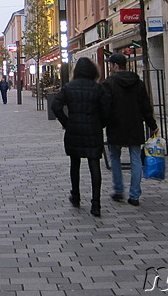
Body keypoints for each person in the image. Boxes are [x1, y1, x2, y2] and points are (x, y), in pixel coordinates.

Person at [51, 57, 111, 217]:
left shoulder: (69, 87)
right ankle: (96, 204)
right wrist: (101, 124)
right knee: (94, 165)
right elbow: (106, 110)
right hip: (93, 130)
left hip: (74, 130)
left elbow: (55, 106)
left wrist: (66, 122)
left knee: (75, 164)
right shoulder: (98, 88)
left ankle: (76, 195)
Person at [102, 53, 159, 207]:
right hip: (135, 126)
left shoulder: (109, 83)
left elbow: (105, 107)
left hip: (115, 127)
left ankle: (119, 190)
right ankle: (134, 195)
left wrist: (101, 123)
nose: (109, 67)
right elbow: (146, 107)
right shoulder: (138, 83)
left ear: (115, 66)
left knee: (114, 157)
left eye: (110, 64)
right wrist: (152, 125)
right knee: (135, 159)